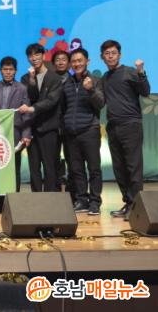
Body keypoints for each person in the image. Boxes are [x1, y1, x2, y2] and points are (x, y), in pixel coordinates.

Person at [97, 40, 150, 220]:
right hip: (113, 126)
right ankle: (128, 202)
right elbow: (100, 101)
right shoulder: (105, 77)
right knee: (119, 168)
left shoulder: (129, 72)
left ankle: (136, 207)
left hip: (131, 124)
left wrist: (141, 71)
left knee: (133, 167)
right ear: (102, 57)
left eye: (113, 53)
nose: (110, 56)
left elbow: (145, 91)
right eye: (107, 53)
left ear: (119, 55)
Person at [61, 48, 105, 216]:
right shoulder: (67, 83)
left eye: (80, 60)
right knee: (76, 169)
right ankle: (82, 200)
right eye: (74, 61)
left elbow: (100, 103)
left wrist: (91, 89)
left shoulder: (95, 80)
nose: (77, 64)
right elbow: (65, 107)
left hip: (89, 131)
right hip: (71, 133)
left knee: (94, 168)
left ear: (87, 61)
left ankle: (95, 202)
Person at [0, 57, 32, 212]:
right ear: (0, 71)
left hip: (15, 133)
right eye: (5, 69)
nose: (8, 72)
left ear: (15, 71)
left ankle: (13, 201)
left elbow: (26, 113)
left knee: (13, 169)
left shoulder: (22, 88)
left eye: (11, 69)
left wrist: (26, 134)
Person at [18, 43, 62, 192]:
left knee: (50, 166)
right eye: (30, 55)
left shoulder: (54, 78)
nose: (34, 58)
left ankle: (50, 197)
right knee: (34, 166)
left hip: (49, 127)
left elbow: (51, 101)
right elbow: (30, 97)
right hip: (32, 129)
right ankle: (36, 198)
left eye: (37, 54)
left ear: (43, 56)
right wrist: (32, 80)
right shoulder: (25, 78)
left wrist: (32, 109)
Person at [52, 50, 72, 195]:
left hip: (70, 125)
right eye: (57, 60)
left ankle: (73, 192)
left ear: (69, 63)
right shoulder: (49, 79)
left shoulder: (75, 79)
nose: (60, 62)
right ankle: (56, 190)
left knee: (72, 158)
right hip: (52, 124)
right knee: (53, 159)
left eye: (64, 59)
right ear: (53, 63)